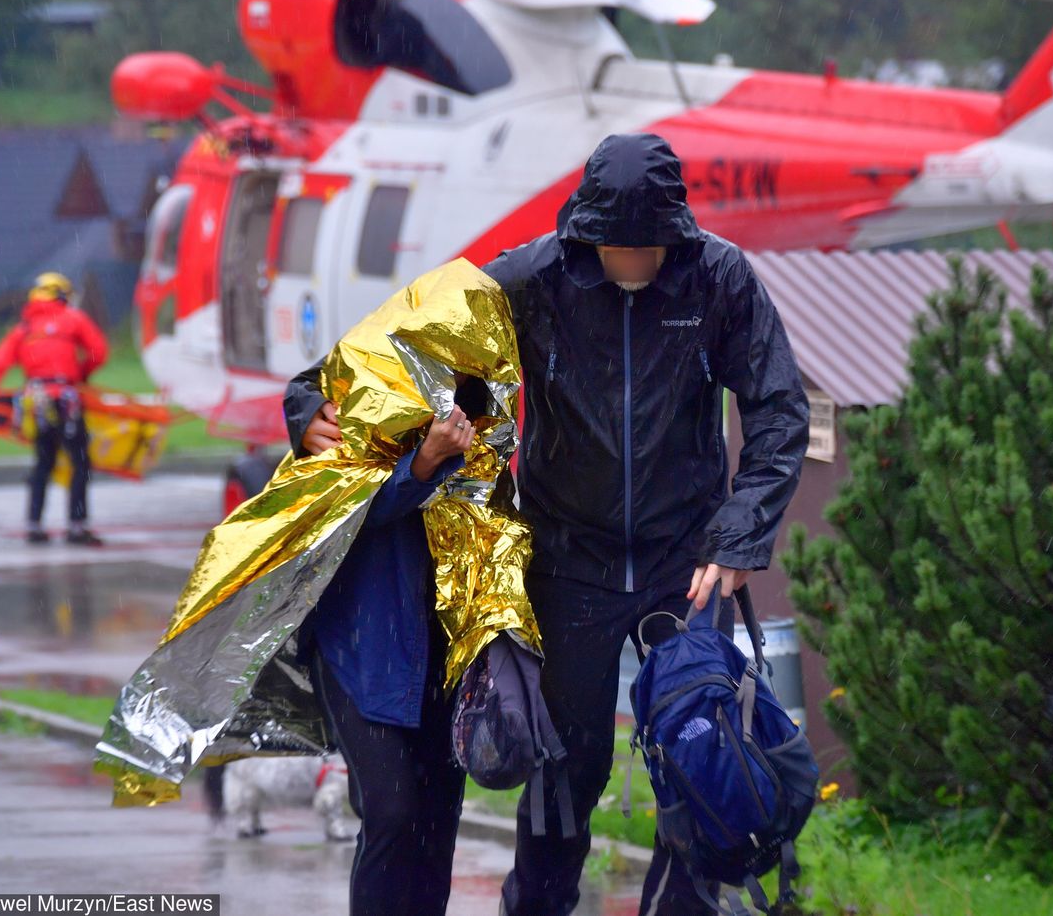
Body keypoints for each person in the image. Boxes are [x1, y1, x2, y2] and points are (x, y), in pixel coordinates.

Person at [285, 133, 811, 915]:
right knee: (568, 768)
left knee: (700, 749)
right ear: (586, 233)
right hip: (570, 559)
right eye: (619, 246)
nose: (637, 260)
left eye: (653, 246)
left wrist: (740, 535)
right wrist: (307, 403)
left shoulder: (719, 279)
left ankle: (683, 905)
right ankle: (536, 903)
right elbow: (398, 349)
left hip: (685, 558)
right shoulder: (531, 278)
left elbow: (778, 408)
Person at [298, 373, 489, 916]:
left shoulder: (501, 374)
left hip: (447, 644)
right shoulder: (387, 361)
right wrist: (304, 412)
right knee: (391, 809)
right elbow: (351, 496)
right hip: (365, 635)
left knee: (435, 820)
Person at [0, 272, 107, 545]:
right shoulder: (74, 320)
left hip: (38, 402)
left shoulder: (24, 328)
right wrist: (81, 373)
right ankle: (76, 526)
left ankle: (34, 525)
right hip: (68, 399)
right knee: (79, 462)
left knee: (43, 462)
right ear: (61, 295)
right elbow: (98, 351)